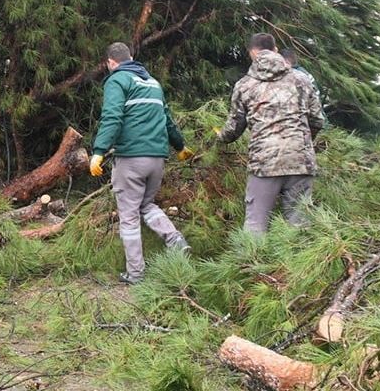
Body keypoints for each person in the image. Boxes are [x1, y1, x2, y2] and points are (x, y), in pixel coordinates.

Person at [89, 42, 191, 283]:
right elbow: (167, 120)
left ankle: (135, 273)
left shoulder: (118, 80)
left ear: (110, 63)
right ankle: (175, 239)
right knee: (146, 205)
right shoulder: (153, 83)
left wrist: (99, 151)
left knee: (129, 216)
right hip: (157, 159)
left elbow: (112, 116)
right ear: (132, 58)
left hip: (132, 158)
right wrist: (181, 146)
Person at [217, 33, 325, 234]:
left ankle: (252, 264)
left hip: (264, 163)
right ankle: (299, 266)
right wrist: (303, 142)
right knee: (299, 227)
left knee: (255, 226)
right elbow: (317, 120)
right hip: (300, 161)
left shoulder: (244, 85)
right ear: (275, 50)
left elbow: (234, 128)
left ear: (252, 53)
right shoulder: (302, 80)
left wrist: (218, 139)